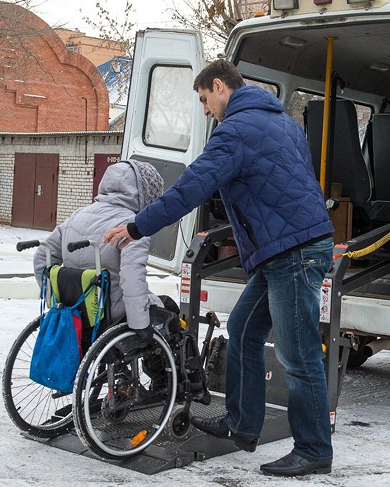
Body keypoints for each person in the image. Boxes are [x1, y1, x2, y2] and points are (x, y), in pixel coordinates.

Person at [104, 59, 335, 477]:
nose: (205, 109)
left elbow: (193, 186)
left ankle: (314, 449)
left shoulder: (235, 131)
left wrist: (139, 225)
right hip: (285, 249)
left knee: (297, 356)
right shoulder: (283, 124)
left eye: (204, 99)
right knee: (244, 330)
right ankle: (242, 425)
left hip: (294, 252)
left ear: (219, 86)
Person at [33, 160, 173, 348]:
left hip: (74, 309)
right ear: (146, 194)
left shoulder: (77, 216)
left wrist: (55, 300)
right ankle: (165, 376)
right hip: (109, 311)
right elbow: (132, 279)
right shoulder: (132, 227)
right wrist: (141, 327)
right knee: (169, 310)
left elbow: (43, 255)